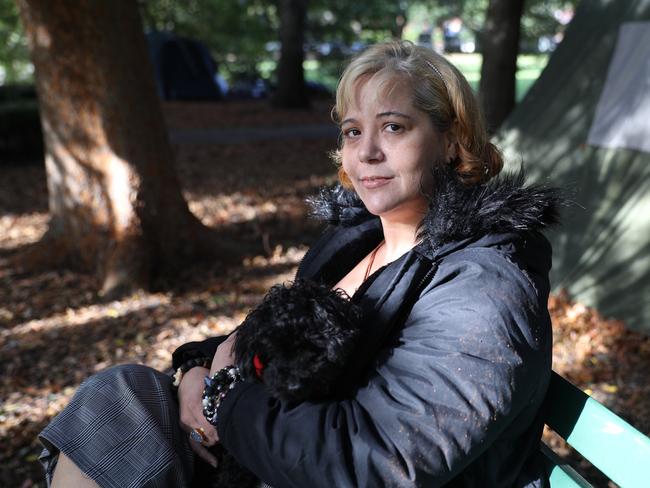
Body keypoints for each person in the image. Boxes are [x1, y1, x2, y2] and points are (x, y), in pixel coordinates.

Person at [38, 40, 560, 487]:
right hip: (264, 455)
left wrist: (224, 396)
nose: (367, 152)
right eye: (353, 131)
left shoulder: (483, 286)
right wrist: (198, 370)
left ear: (450, 141)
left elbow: (375, 462)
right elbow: (262, 340)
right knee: (120, 395)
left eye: (394, 127)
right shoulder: (351, 243)